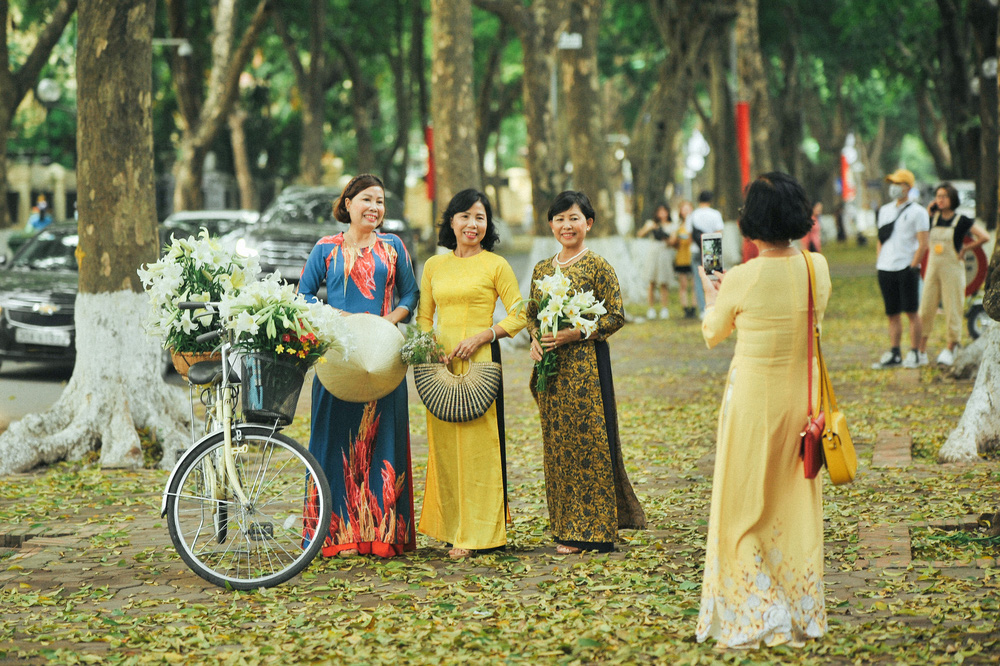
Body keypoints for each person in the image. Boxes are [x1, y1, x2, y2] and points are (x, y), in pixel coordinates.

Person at [696, 172, 830, 649]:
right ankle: (796, 607)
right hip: (802, 401)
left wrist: (713, 290)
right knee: (792, 505)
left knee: (742, 507)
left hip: (752, 400)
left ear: (749, 221)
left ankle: (757, 610)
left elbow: (713, 332)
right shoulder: (818, 268)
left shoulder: (742, 277)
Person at [298, 173, 420, 558]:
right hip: (337, 359)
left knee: (383, 441)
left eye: (380, 202)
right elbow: (303, 296)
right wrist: (337, 318)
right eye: (367, 199)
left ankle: (381, 536)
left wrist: (387, 323)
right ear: (347, 203)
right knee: (331, 441)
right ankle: (334, 537)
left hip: (382, 360)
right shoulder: (326, 249)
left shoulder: (394, 247)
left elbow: (411, 293)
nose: (375, 208)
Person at [527, 190, 646, 554]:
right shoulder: (542, 269)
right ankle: (565, 526)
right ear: (551, 224)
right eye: (560, 219)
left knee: (591, 444)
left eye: (574, 218)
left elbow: (616, 315)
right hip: (552, 372)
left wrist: (577, 332)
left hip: (587, 369)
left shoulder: (598, 265)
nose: (567, 225)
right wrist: (535, 339)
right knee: (558, 448)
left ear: (588, 223)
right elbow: (533, 314)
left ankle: (593, 530)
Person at [416, 189, 527, 559]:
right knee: (445, 448)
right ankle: (451, 528)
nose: (472, 224)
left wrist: (485, 334)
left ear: (487, 225)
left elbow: (520, 313)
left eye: (480, 218)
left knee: (479, 448)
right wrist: (430, 347)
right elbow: (424, 318)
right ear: (452, 221)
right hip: (440, 363)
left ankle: (480, 531)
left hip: (480, 359)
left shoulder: (496, 265)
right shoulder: (434, 266)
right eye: (465, 216)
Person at [917, 182, 989, 367]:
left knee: (953, 307)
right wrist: (928, 210)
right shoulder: (931, 218)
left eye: (943, 196)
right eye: (937, 196)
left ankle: (951, 347)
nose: (939, 200)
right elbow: (921, 233)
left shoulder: (961, 220)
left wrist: (966, 248)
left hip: (953, 270)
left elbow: (984, 237)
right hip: (933, 269)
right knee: (926, 307)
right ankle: (921, 350)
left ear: (952, 199)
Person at [873, 169, 929, 369]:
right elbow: (881, 238)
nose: (894, 187)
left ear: (908, 187)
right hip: (886, 268)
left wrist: (913, 266)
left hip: (906, 267)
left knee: (912, 312)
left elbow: (923, 243)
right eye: (892, 183)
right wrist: (880, 261)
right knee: (892, 313)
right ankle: (895, 352)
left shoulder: (918, 212)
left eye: (898, 183)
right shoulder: (885, 210)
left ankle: (915, 352)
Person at [636, 203, 676, 320]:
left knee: (664, 283)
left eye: (664, 211)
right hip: (653, 253)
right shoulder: (651, 223)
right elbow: (640, 234)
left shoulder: (671, 225)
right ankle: (651, 308)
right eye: (660, 211)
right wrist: (651, 228)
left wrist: (664, 235)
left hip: (664, 253)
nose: (662, 214)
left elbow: (673, 242)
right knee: (651, 282)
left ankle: (664, 308)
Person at [688, 190, 725, 317]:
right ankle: (715, 306)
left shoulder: (693, 215)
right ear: (710, 200)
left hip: (696, 250)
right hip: (712, 249)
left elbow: (689, 235)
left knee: (698, 280)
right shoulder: (715, 214)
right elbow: (719, 232)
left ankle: (703, 309)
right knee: (714, 278)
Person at [671, 200, 696, 318]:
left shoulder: (696, 224)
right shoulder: (678, 226)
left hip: (693, 257)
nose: (686, 211)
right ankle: (685, 308)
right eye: (683, 209)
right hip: (681, 258)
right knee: (683, 285)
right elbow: (673, 242)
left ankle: (695, 307)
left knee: (695, 285)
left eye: (688, 208)